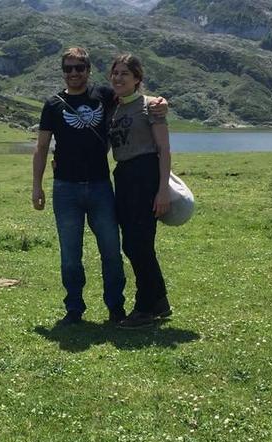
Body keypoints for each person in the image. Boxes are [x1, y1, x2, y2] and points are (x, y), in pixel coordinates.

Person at [32, 46, 168, 326]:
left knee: (113, 251)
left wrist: (161, 101)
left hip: (101, 186)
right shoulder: (53, 104)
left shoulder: (104, 96)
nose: (73, 73)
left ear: (88, 71)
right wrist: (36, 185)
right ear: (62, 72)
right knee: (71, 254)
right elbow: (42, 147)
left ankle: (116, 309)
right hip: (66, 189)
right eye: (68, 68)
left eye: (79, 68)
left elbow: (138, 98)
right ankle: (74, 310)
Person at [107, 54, 173, 328]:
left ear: (137, 79)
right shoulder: (114, 108)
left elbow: (164, 149)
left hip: (145, 174)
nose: (119, 78)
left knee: (139, 244)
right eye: (115, 73)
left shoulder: (150, 107)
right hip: (123, 176)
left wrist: (163, 190)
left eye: (125, 74)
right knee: (133, 244)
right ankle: (159, 301)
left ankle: (144, 309)